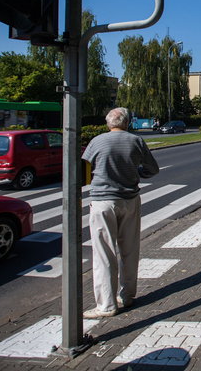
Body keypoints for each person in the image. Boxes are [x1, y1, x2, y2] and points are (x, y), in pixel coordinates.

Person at [81, 107, 160, 318]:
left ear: (108, 123)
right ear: (127, 123)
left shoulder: (96, 141)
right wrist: (137, 172)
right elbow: (152, 169)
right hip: (130, 200)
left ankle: (106, 305)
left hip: (102, 201)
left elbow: (85, 168)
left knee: (104, 253)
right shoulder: (136, 141)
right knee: (129, 249)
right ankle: (127, 296)